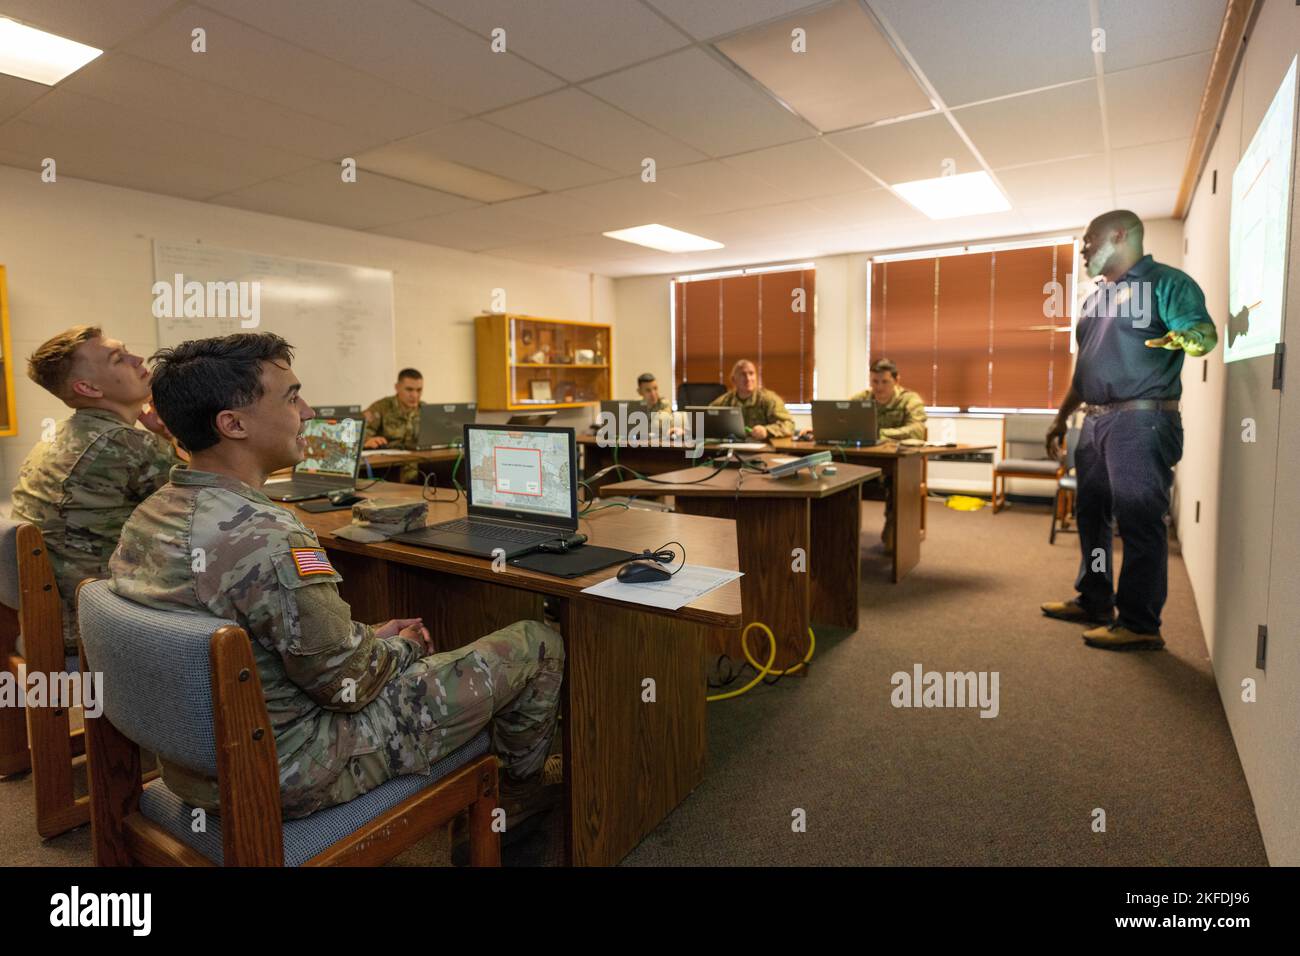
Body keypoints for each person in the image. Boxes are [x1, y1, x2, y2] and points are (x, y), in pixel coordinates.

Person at [109, 333, 563, 847]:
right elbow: (347, 685)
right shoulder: (267, 536)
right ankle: (518, 802)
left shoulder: (148, 516)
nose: (307, 411)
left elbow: (262, 639)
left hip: (195, 763)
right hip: (295, 767)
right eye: (291, 397)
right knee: (536, 642)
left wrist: (366, 638)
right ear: (232, 424)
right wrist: (403, 645)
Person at [1041, 209, 1216, 651]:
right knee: (1091, 516)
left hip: (1141, 420)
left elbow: (1202, 333)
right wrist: (1063, 417)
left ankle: (1139, 623)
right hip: (1095, 421)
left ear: (1119, 236)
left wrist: (1188, 338)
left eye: (1088, 239)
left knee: (1138, 521)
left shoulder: (1167, 283)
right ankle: (1095, 598)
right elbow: (1085, 372)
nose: (1082, 249)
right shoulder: (1094, 299)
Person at [10, 327, 178, 652]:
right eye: (119, 358)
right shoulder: (129, 443)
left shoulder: (60, 434)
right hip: (96, 630)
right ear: (87, 387)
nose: (137, 359)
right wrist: (172, 437)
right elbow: (208, 509)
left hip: (48, 622)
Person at [708, 359, 795, 440]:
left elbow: (789, 425)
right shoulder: (724, 401)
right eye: (743, 374)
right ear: (734, 379)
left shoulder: (769, 399)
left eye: (751, 373)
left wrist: (767, 430)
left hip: (762, 450)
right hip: (731, 448)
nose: (748, 378)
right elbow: (705, 420)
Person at [363, 368, 423, 481]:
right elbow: (356, 432)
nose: (415, 395)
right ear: (397, 387)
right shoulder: (381, 407)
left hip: (421, 468)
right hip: (389, 470)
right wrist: (366, 440)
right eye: (409, 390)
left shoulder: (426, 410)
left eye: (419, 390)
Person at [849, 358, 928, 441]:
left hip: (898, 452)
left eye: (885, 382)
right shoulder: (860, 400)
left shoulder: (910, 400)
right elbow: (843, 424)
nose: (879, 387)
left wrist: (880, 434)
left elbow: (917, 431)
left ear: (896, 380)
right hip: (865, 452)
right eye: (875, 381)